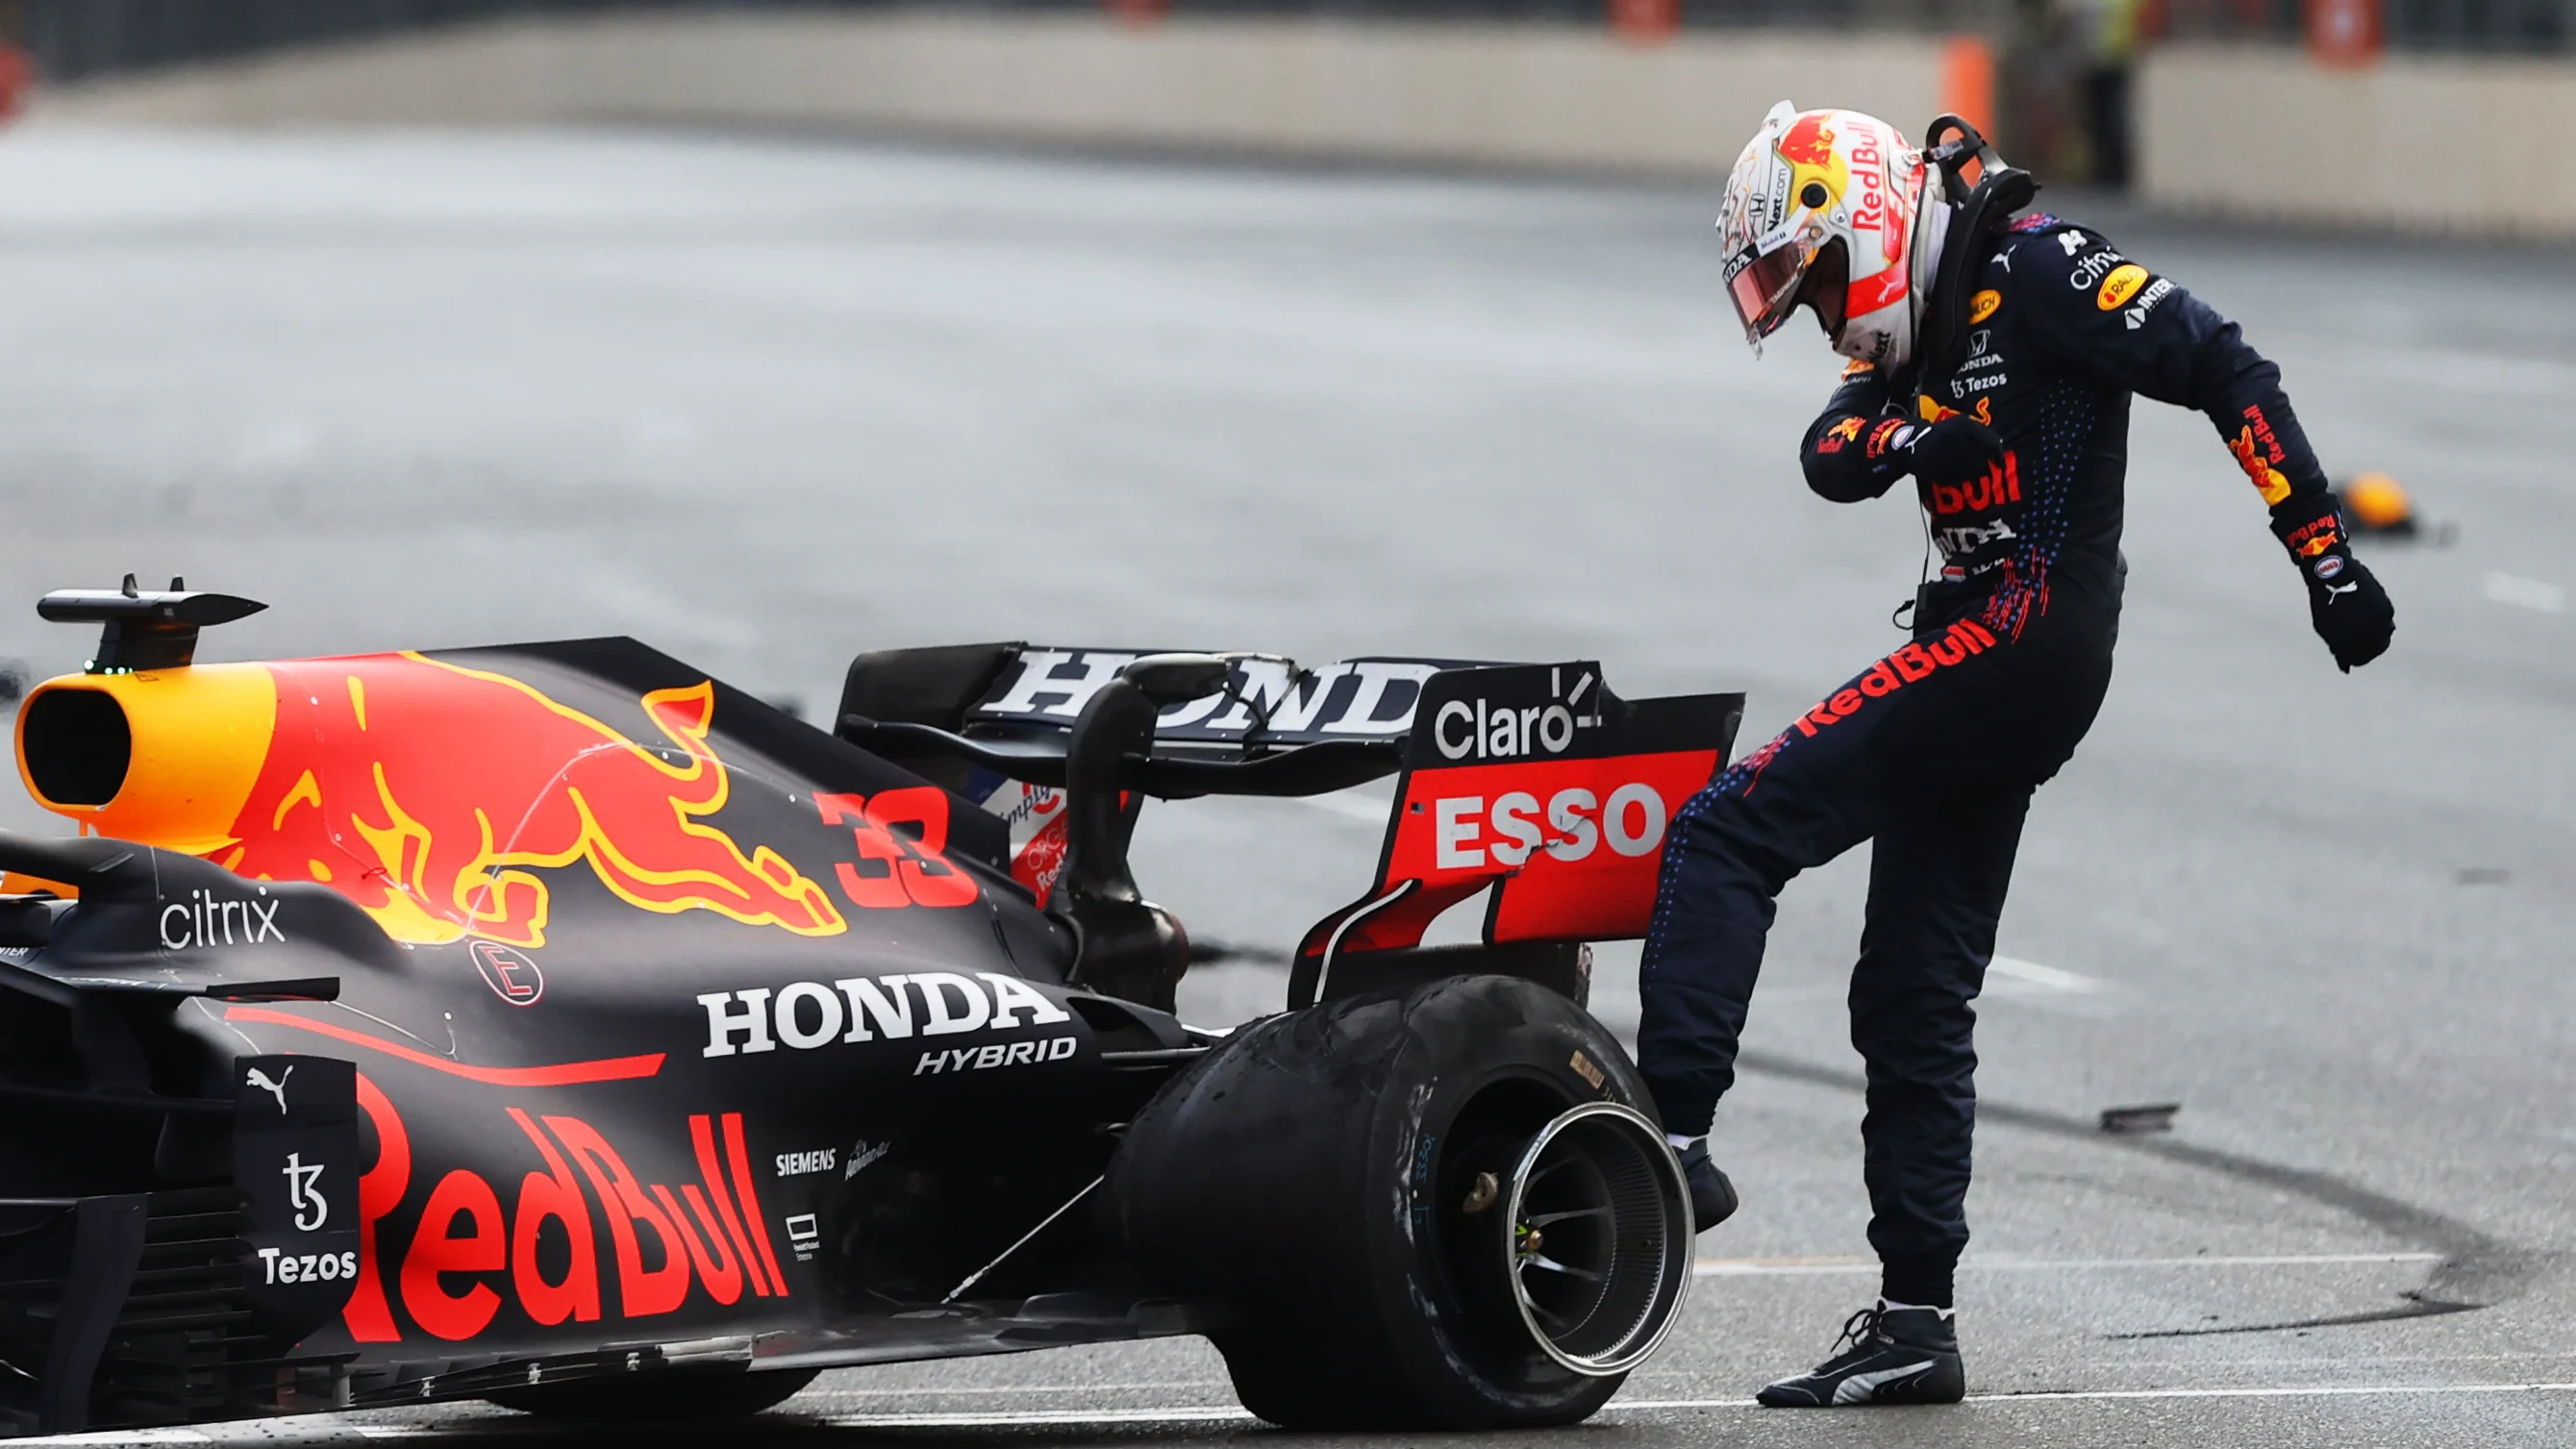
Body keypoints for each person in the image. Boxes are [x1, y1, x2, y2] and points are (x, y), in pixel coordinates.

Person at [1643, 102, 2393, 1408]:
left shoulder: (2037, 267)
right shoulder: (1915, 300)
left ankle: (1667, 1143)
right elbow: (1826, 452)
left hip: (2018, 641)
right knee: (1911, 992)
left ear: (1859, 218)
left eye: (1811, 281)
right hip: (1984, 654)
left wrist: (2320, 554)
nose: (1819, 316)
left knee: (1725, 828)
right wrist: (1906, 438)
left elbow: (2225, 363)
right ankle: (1914, 1320)